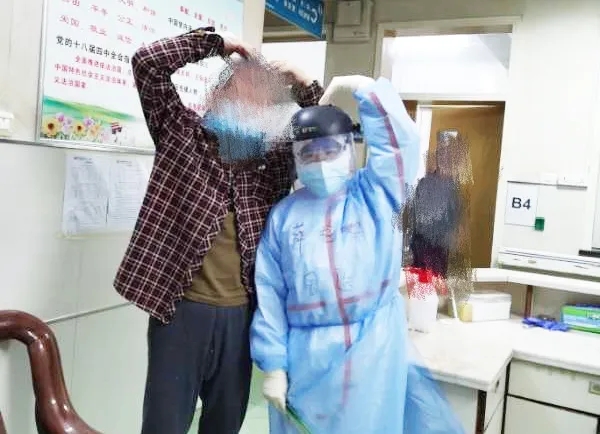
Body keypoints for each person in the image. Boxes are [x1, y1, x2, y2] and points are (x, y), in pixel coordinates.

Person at [113, 26, 323, 434]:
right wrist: (214, 44)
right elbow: (147, 64)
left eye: (259, 98)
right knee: (163, 423)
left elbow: (321, 134)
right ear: (217, 96)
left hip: (242, 317)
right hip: (179, 310)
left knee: (225, 423)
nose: (248, 103)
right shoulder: (181, 133)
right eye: (237, 92)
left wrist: (304, 84)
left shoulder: (273, 163)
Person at [249, 75, 419, 433]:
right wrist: (274, 365)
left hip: (372, 349)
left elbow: (401, 145)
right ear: (296, 158)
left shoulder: (377, 194)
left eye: (330, 151)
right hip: (306, 358)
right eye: (309, 154)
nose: (321, 162)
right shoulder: (284, 217)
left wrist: (365, 88)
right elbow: (271, 293)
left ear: (349, 148)